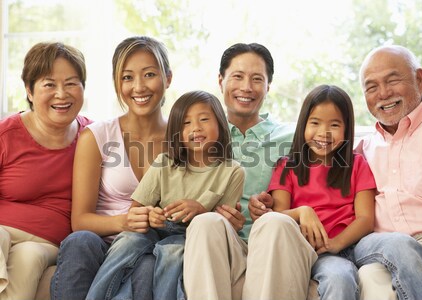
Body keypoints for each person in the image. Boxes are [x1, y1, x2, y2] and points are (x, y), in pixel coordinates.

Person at [183, 43, 317, 300]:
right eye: (237, 77)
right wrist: (209, 209)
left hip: (277, 247)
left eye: (257, 79)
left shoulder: (294, 137)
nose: (246, 87)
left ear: (268, 86)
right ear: (221, 81)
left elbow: (325, 187)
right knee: (206, 222)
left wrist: (274, 206)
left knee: (273, 222)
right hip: (225, 247)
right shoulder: (196, 135)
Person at [85, 90, 245, 300]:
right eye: (186, 123)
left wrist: (201, 210)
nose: (195, 127)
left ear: (221, 124)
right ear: (176, 132)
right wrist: (150, 216)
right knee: (127, 241)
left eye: (204, 119)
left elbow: (220, 227)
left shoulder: (232, 171)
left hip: (189, 237)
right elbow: (137, 210)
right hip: (156, 227)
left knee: (172, 253)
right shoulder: (164, 162)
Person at [50, 36, 173, 300]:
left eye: (149, 74)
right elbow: (80, 220)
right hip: (100, 241)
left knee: (149, 265)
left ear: (168, 79)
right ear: (118, 83)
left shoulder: (183, 137)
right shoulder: (96, 136)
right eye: (127, 77)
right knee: (79, 241)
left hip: (149, 245)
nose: (138, 87)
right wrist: (124, 222)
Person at [354, 45, 422, 299]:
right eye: (372, 87)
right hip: (384, 249)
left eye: (392, 80)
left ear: (419, 79)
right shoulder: (363, 148)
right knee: (369, 277)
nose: (383, 93)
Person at [267, 84, 377, 299]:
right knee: (339, 277)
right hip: (316, 253)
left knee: (400, 246)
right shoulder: (287, 166)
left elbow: (365, 219)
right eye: (315, 123)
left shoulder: (357, 163)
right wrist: (302, 211)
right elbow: (277, 216)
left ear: (347, 128)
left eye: (334, 125)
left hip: (353, 244)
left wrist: (336, 243)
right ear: (303, 125)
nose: (323, 133)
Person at [0, 42, 90, 300]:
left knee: (30, 255)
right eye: (49, 84)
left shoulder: (94, 137)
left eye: (72, 83)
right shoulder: (5, 135)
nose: (61, 94)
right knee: (9, 245)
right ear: (29, 91)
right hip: (2, 231)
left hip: (48, 242)